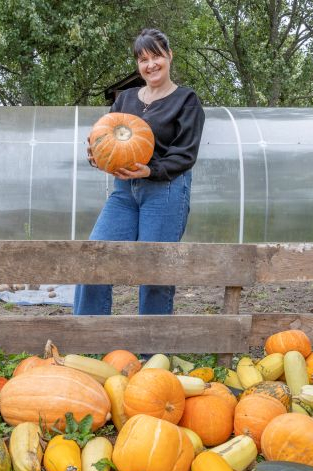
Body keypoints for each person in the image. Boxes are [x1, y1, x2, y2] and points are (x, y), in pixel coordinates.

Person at [74, 28, 205, 316]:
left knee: (155, 271)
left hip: (165, 191)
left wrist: (150, 170)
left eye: (156, 56)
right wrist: (97, 154)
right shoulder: (126, 99)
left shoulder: (186, 100)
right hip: (124, 192)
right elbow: (106, 136)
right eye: (143, 59)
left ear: (169, 56)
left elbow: (185, 154)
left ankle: (151, 343)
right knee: (93, 259)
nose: (151, 64)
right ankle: (87, 337)